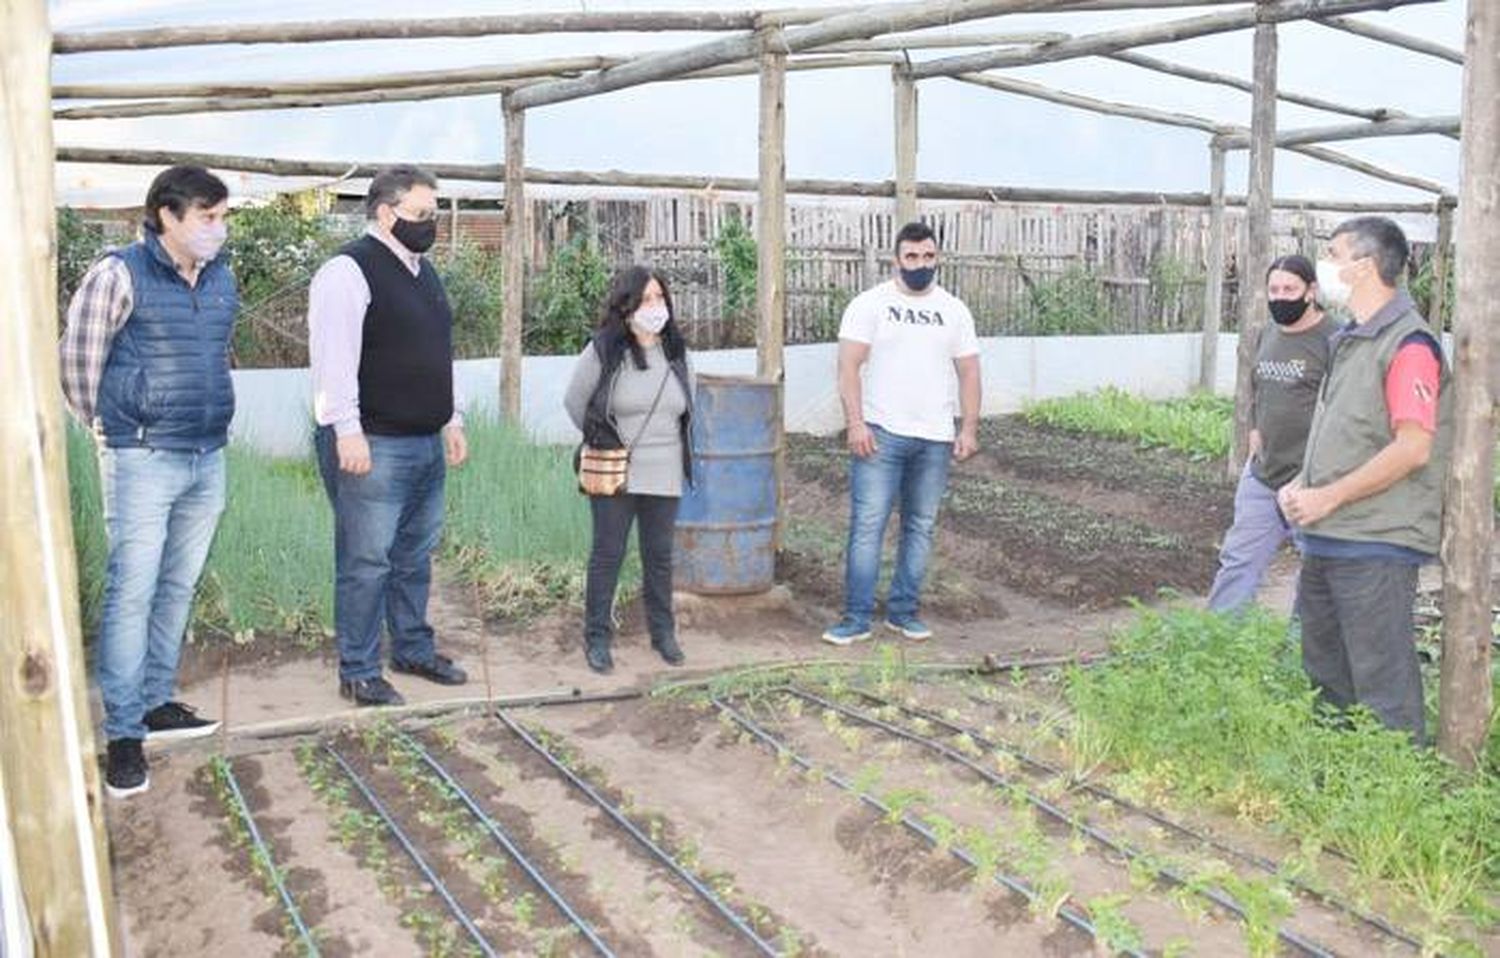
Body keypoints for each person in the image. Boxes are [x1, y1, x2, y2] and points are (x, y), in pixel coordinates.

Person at [60, 165, 236, 798]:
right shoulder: (118, 273)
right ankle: (124, 734)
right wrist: (110, 429)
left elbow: (214, 356)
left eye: (222, 217)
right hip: (142, 455)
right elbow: (78, 362)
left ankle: (158, 702)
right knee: (131, 591)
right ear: (168, 216)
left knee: (176, 585)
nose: (219, 229)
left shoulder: (220, 278)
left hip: (205, 454)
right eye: (207, 217)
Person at [1278, 216, 1452, 744]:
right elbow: (1349, 431)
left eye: (1333, 255)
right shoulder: (1352, 339)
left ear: (1365, 266)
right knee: (1327, 676)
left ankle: (1394, 798)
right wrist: (1301, 483)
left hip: (1376, 541)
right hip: (1332, 536)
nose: (1324, 268)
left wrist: (1327, 496)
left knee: (1382, 684)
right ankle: (1341, 784)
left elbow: (1413, 448)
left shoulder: (1409, 344)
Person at [309, 165, 469, 707]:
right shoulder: (348, 271)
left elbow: (437, 355)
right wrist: (346, 431)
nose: (431, 224)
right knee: (366, 560)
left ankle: (412, 649)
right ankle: (357, 669)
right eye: (422, 214)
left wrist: (452, 418)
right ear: (385, 212)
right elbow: (335, 362)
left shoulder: (424, 273)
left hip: (423, 440)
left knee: (413, 555)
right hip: (372, 443)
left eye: (433, 214)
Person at [823, 221, 982, 646]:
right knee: (868, 525)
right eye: (911, 257)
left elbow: (968, 371)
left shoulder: (954, 310)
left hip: (934, 437)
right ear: (897, 259)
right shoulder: (869, 305)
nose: (920, 264)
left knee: (921, 525)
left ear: (938, 258)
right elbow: (848, 367)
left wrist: (968, 427)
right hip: (880, 433)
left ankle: (903, 612)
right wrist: (855, 423)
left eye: (928, 256)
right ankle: (856, 618)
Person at [564, 267, 695, 674]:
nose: (656, 307)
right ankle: (597, 639)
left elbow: (688, 407)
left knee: (659, 556)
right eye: (646, 300)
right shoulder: (604, 350)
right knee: (608, 554)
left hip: (666, 469)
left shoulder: (677, 352)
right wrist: (603, 438)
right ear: (627, 307)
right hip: (615, 469)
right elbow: (575, 402)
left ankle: (663, 634)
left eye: (660, 299)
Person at [1207, 255, 1337, 612]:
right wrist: (1253, 427)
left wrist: (1316, 475)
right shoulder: (1269, 333)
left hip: (1312, 479)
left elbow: (1346, 410)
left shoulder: (1335, 340)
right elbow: (1255, 385)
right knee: (1238, 560)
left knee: (1316, 573)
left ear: (1311, 291)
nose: (1280, 297)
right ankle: (1216, 641)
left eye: (1290, 289)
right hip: (1263, 474)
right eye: (1274, 289)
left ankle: (1303, 652)